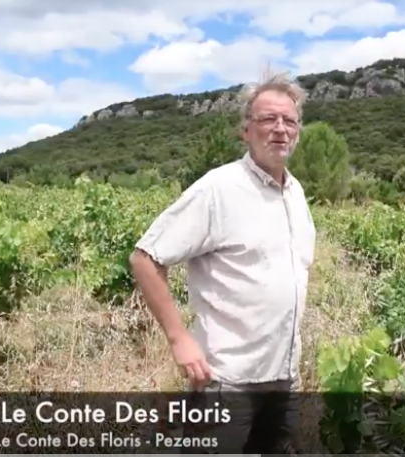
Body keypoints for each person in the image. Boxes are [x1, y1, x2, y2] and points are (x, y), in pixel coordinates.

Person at [128, 72, 316, 454]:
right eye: (268, 119)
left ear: (298, 130)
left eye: (289, 121)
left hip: (283, 381)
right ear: (246, 130)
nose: (280, 129)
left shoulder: (295, 193)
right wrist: (180, 339)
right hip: (226, 382)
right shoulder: (219, 189)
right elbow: (145, 258)